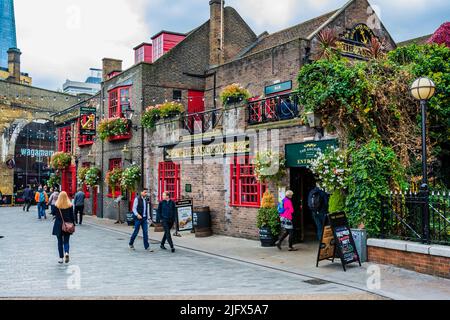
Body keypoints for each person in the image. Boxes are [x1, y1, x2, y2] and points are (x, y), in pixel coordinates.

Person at [53, 191, 75, 264]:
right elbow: (72, 216)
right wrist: (73, 224)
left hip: (58, 225)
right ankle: (66, 253)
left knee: (59, 242)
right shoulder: (70, 205)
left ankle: (61, 258)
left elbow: (53, 213)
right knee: (66, 241)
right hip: (67, 225)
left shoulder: (56, 205)